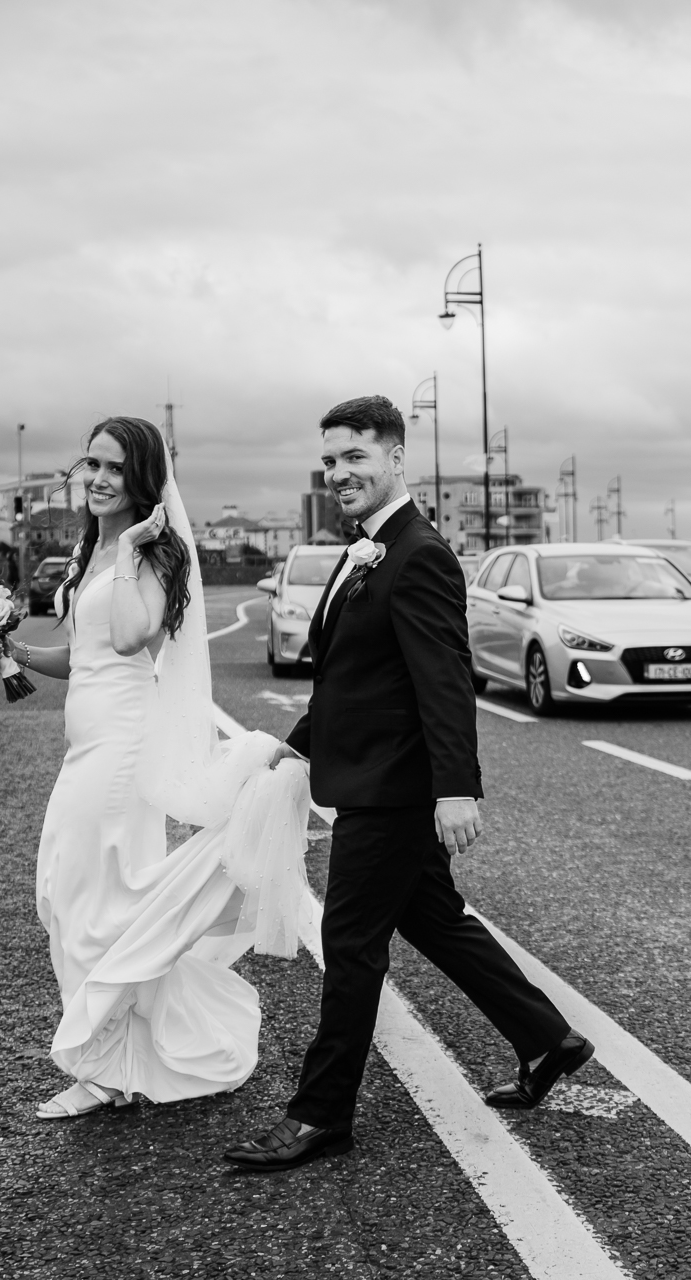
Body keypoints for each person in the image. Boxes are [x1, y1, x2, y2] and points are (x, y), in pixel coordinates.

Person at [225, 396, 589, 1172]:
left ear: (396, 458)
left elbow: (445, 682)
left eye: (355, 456)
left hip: (394, 792)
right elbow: (351, 680)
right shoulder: (366, 550)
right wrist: (296, 751)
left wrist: (457, 787)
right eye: (330, 461)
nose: (339, 473)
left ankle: (319, 1117)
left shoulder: (418, 554)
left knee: (350, 945)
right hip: (372, 777)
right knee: (437, 921)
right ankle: (549, 1041)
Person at [6, 416, 312, 1118]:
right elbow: (82, 655)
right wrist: (7, 649)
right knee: (70, 891)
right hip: (87, 746)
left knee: (85, 899)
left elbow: (126, 636)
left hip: (120, 751)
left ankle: (102, 1068)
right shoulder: (96, 545)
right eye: (92, 465)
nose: (99, 479)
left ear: (143, 476)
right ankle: (114, 1052)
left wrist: (135, 548)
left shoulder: (156, 550)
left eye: (114, 468)